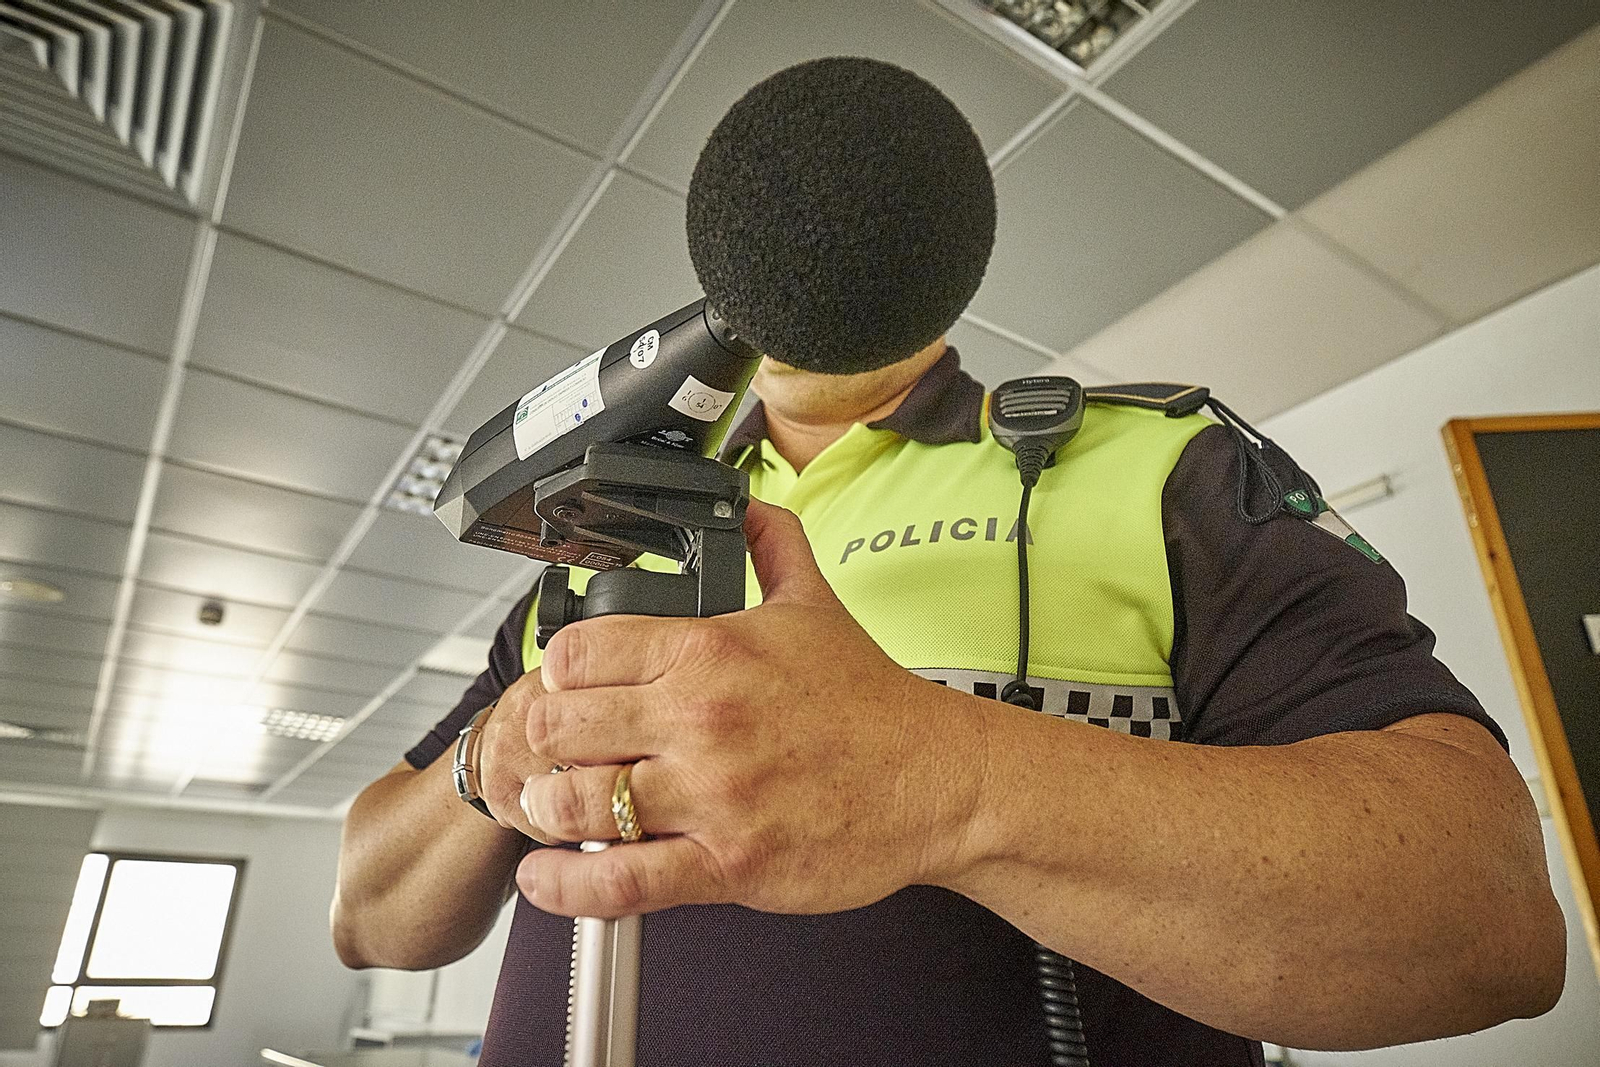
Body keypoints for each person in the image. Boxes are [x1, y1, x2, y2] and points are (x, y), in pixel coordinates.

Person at [330, 60, 1565, 1067]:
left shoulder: (1153, 465)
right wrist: (499, 757)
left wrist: (949, 778)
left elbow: (1486, 917)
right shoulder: (610, 536)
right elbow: (370, 916)